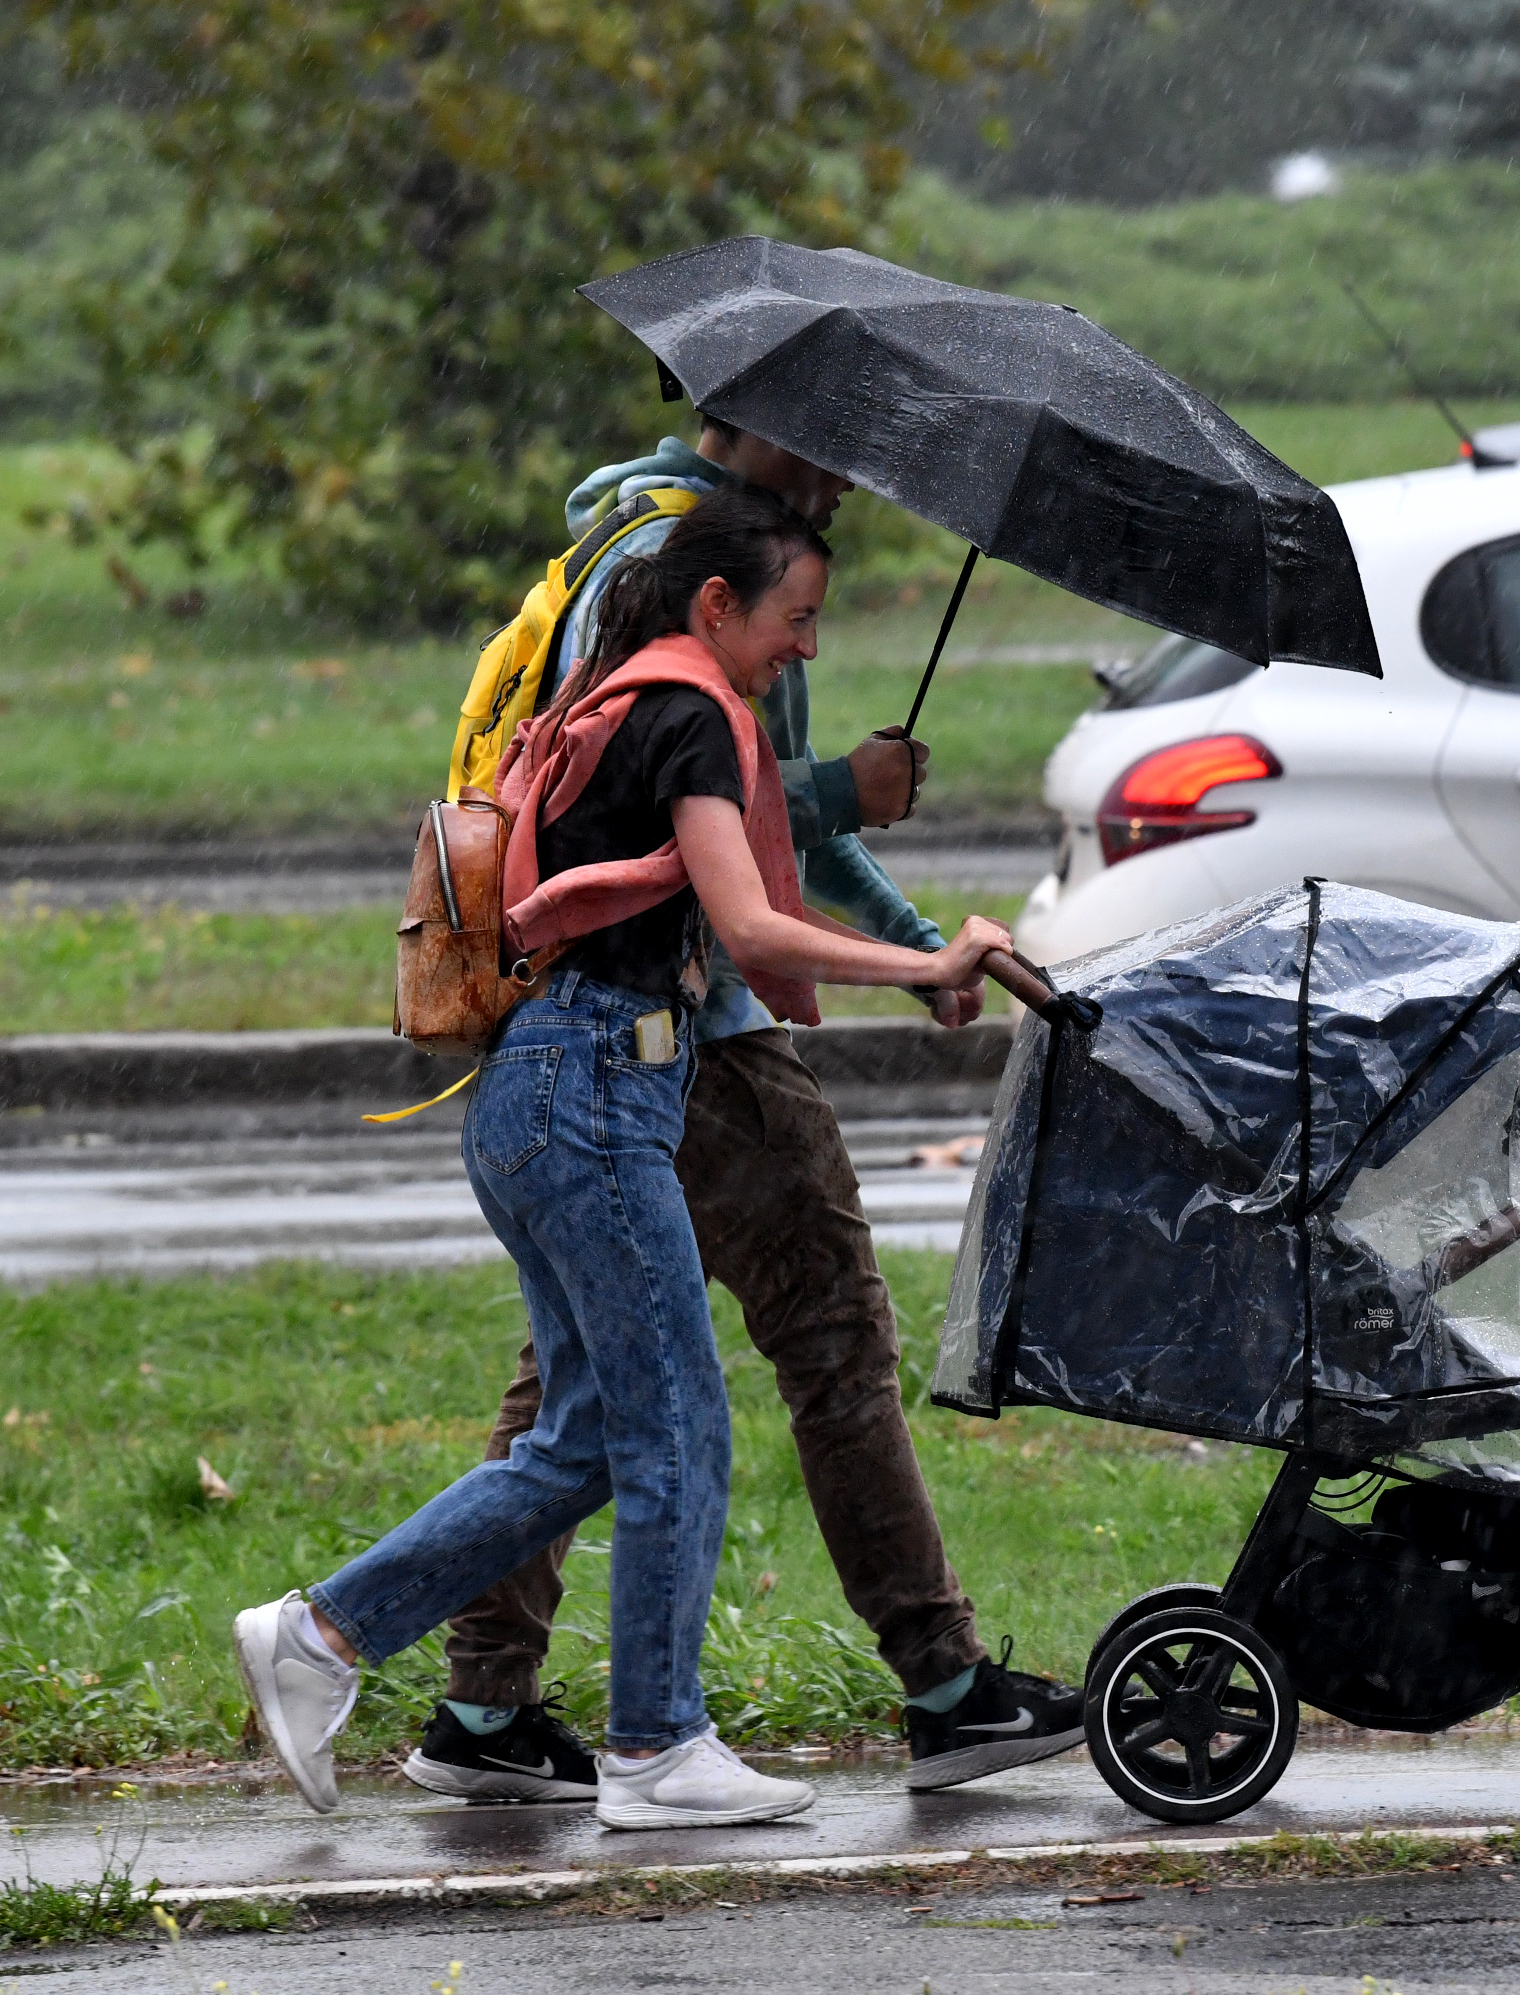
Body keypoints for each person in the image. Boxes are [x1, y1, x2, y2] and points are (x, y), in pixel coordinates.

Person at [235, 493, 1016, 1830]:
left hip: (548, 1092)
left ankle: (320, 1640)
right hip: (595, 1089)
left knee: (588, 1434)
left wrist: (911, 954)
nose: (808, 649)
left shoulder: (620, 694)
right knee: (674, 1429)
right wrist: (924, 964)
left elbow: (737, 896)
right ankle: (655, 1747)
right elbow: (753, 930)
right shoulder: (696, 710)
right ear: (720, 606)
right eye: (798, 616)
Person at [399, 418, 1085, 1809]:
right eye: (824, 455)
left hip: (649, 1016)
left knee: (575, 1385)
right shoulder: (678, 565)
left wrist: (905, 942)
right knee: (826, 1331)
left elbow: (778, 834)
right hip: (679, 1022)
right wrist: (854, 802)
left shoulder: (683, 543)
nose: (839, 479)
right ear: (750, 419)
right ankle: (938, 1687)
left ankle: (481, 1706)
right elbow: (649, 803)